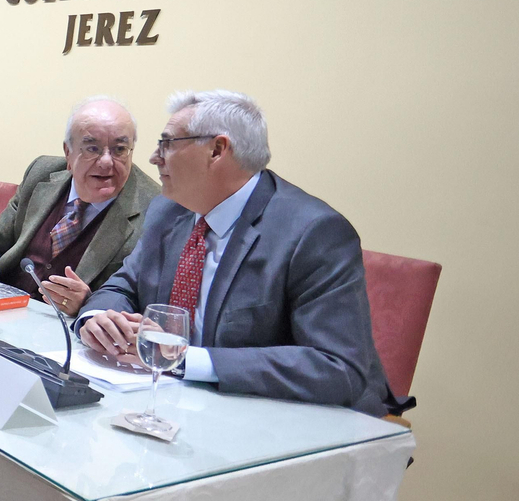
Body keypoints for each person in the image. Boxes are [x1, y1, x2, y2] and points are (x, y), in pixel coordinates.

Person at [77, 90, 391, 415]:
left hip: (280, 420)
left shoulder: (313, 232)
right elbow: (122, 285)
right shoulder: (168, 210)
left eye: (168, 143)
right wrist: (98, 319)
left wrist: (184, 359)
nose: (155, 157)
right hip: (171, 403)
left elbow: (337, 367)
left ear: (216, 150)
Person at [0, 97, 162, 314]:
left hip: (68, 333)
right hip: (0, 310)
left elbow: (140, 300)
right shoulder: (42, 172)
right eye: (92, 148)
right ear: (68, 152)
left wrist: (88, 303)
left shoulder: (155, 209)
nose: (107, 161)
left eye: (119, 149)